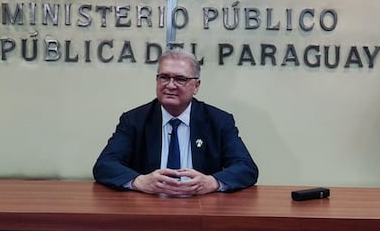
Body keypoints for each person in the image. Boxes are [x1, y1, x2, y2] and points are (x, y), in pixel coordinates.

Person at [93, 47, 258, 196]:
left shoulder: (219, 121)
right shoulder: (135, 120)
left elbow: (246, 168)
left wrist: (212, 182)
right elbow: (105, 165)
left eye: (180, 79)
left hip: (201, 210)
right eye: (164, 77)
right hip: (149, 211)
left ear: (196, 86)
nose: (170, 85)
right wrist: (139, 181)